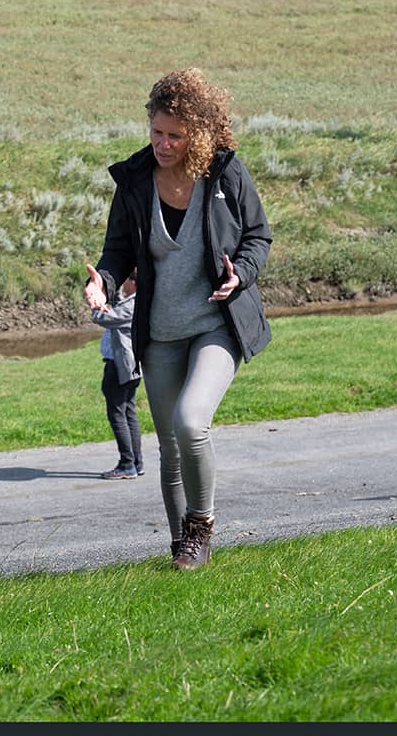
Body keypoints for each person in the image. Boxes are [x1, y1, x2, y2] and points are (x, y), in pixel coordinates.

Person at [83, 68, 272, 571]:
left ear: (199, 134)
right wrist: (102, 280)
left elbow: (258, 237)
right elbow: (117, 251)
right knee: (168, 446)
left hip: (215, 323)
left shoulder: (226, 173)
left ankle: (201, 526)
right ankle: (183, 552)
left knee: (191, 424)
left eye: (175, 135)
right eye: (156, 132)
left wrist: (242, 274)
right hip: (160, 331)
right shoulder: (135, 179)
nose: (163, 144)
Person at [92, 271, 143, 480]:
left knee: (117, 414)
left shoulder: (133, 306)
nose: (123, 286)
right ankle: (136, 462)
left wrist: (95, 303)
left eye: (125, 281)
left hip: (119, 366)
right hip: (131, 366)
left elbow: (104, 318)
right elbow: (120, 304)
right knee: (129, 413)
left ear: (133, 282)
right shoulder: (136, 301)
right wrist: (111, 296)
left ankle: (126, 464)